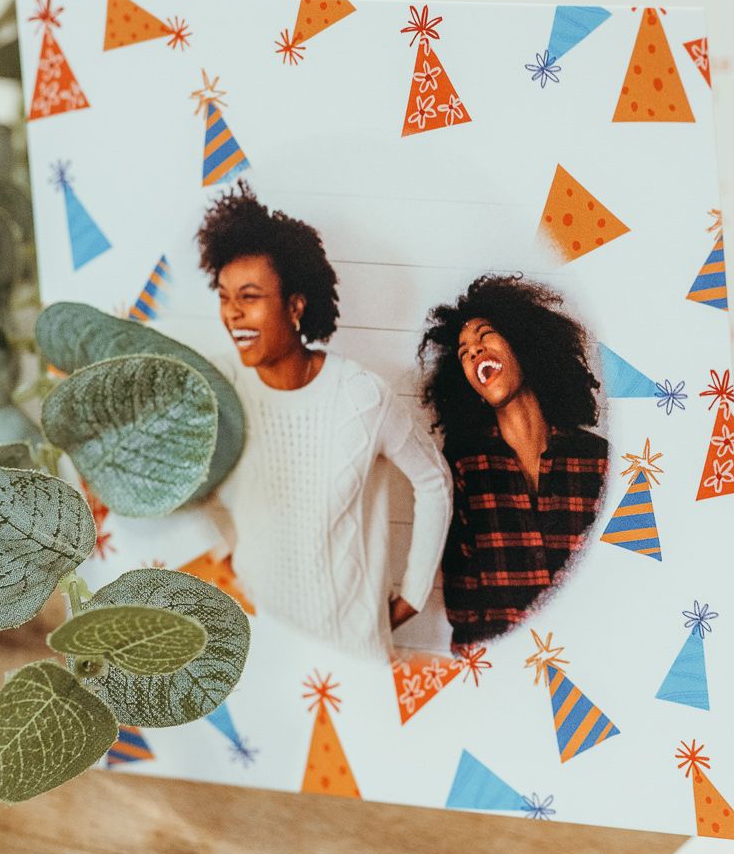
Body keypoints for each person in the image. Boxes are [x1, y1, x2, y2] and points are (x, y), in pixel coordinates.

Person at [196, 181, 450, 660]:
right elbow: (179, 483)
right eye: (225, 296)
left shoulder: (360, 395)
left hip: (352, 654)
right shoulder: (216, 388)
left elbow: (434, 480)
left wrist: (414, 595)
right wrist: (221, 558)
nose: (233, 314)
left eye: (249, 296)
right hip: (259, 653)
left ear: (295, 305)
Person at [419, 275, 609, 646]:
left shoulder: (599, 462)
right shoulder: (462, 468)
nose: (472, 351)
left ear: (523, 343)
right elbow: (464, 611)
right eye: (462, 353)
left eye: (484, 336)